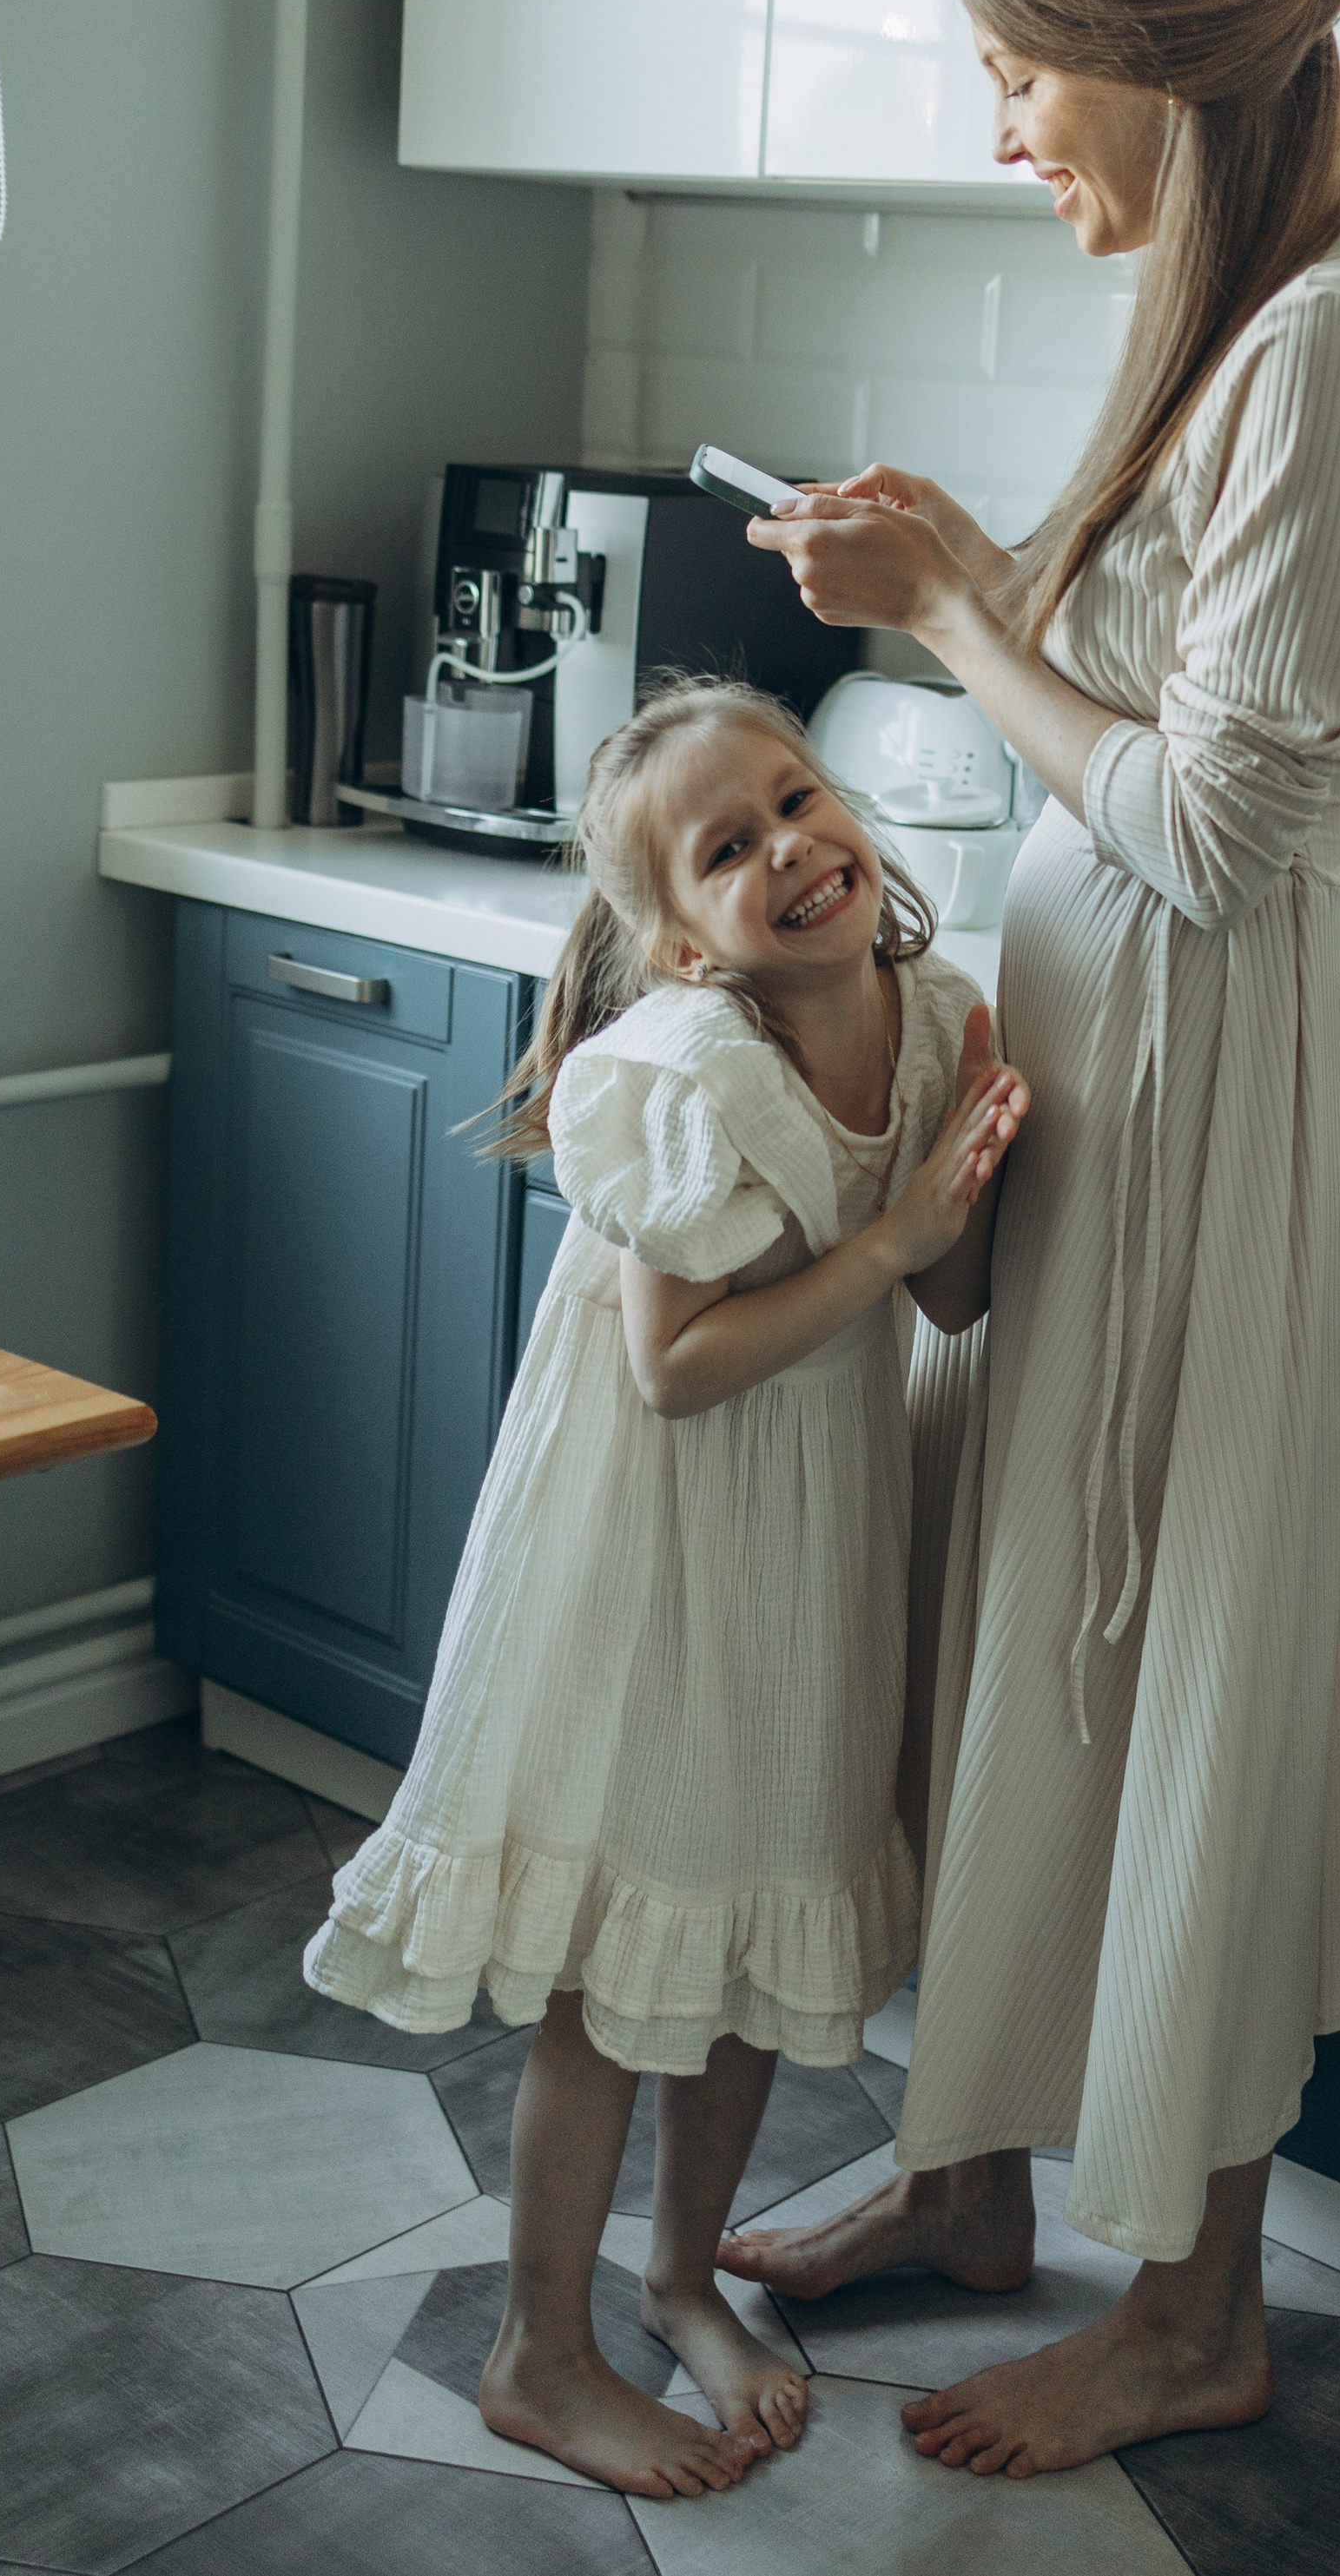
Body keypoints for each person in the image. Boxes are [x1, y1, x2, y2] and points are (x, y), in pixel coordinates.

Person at [719, 0, 1340, 2478]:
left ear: (1153, 55)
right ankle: (968, 2182)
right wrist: (954, 564)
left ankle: (1196, 2308)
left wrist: (948, 611)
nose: (1006, 125)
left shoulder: (1325, 342)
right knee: (1025, 1630)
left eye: (1023, 70)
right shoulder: (1237, 308)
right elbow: (1153, 721)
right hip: (1104, 1085)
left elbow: (1221, 832)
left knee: (1173, 1657)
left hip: (1189, 1109)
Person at [304, 675, 1029, 2501]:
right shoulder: (685, 1071)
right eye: (727, 847)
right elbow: (672, 1368)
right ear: (682, 939)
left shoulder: (934, 1014)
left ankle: (680, 2274)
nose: (790, 847)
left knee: (751, 1916)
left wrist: (965, 1166)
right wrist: (898, 1230)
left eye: (795, 798)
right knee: (616, 1950)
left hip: (812, 1529)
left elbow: (950, 1298)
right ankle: (536, 2351)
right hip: (649, 1530)